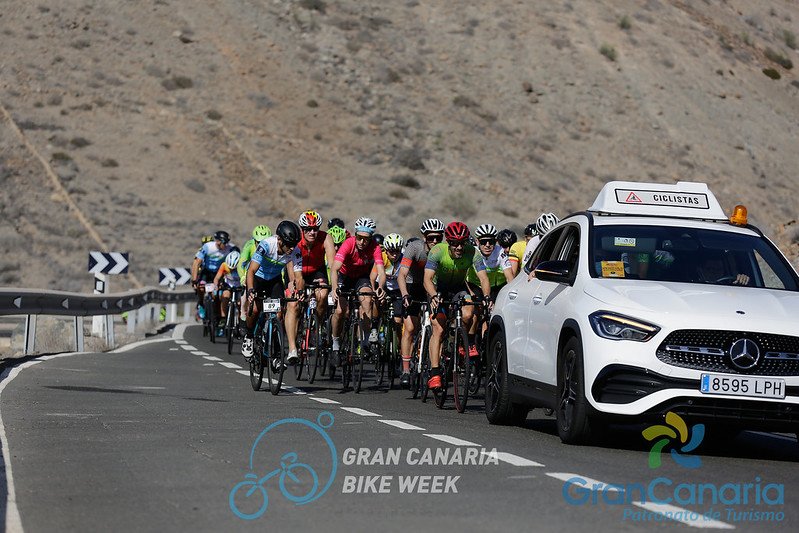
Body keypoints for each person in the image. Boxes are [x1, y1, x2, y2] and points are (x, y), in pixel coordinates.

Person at [423, 222, 491, 390]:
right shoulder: (437, 251)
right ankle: (435, 372)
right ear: (449, 242)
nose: (459, 247)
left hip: (458, 288)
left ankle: (461, 343)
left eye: (463, 243)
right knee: (438, 329)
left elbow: (483, 278)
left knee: (469, 312)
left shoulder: (472, 252)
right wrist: (433, 296)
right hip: (438, 289)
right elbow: (427, 279)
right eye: (455, 243)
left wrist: (487, 297)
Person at [242, 221, 303, 364]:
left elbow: (299, 276)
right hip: (258, 278)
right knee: (256, 308)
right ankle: (249, 336)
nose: (292, 248)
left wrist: (299, 290)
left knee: (279, 313)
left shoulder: (295, 251)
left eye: (294, 244)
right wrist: (251, 290)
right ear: (279, 240)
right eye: (289, 244)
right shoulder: (266, 245)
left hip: (274, 280)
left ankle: (274, 351)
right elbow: (251, 270)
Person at [329, 217, 386, 366]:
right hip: (344, 276)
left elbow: (381, 271)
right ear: (356, 235)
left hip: (361, 278)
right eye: (359, 238)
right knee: (341, 311)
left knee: (367, 301)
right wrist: (334, 287)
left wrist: (380, 287)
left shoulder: (375, 247)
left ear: (371, 238)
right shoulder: (348, 244)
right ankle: (335, 345)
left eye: (366, 239)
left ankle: (365, 341)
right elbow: (334, 269)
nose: (362, 242)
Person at [396, 218, 445, 388]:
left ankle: (435, 367)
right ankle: (406, 370)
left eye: (439, 238)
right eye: (431, 238)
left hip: (431, 286)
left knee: (438, 325)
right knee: (410, 327)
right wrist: (404, 295)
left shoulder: (443, 250)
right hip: (412, 285)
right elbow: (401, 275)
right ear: (424, 237)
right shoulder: (414, 248)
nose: (435, 242)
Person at [284, 211, 336, 364]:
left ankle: (316, 326)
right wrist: (294, 283)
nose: (312, 232)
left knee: (323, 293)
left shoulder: (326, 237)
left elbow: (333, 264)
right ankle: (292, 349)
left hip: (316, 271)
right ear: (302, 229)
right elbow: (289, 263)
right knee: (293, 304)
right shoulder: (296, 239)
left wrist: (334, 283)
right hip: (295, 271)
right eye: (308, 229)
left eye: (315, 228)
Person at [191, 230, 234, 317]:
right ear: (218, 242)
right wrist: (194, 279)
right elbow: (196, 262)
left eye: (226, 243)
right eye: (224, 243)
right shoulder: (208, 247)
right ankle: (201, 303)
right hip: (207, 272)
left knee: (218, 293)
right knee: (201, 288)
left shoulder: (230, 248)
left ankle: (218, 313)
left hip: (220, 273)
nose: (225, 245)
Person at [213, 251, 242, 336]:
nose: (232, 269)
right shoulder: (224, 265)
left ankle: (241, 322)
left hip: (239, 286)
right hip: (228, 285)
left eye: (234, 268)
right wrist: (216, 286)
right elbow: (217, 278)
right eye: (230, 268)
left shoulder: (242, 266)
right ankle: (223, 318)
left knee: (241, 303)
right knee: (225, 296)